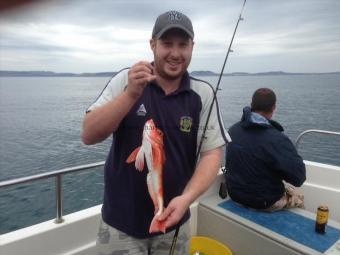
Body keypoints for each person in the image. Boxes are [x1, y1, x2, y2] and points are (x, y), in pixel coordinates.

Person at [81, 10, 228, 255]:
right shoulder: (125, 80)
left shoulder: (202, 94)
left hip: (174, 223)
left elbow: (212, 154)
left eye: (183, 44)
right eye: (167, 43)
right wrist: (130, 95)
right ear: (152, 44)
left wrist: (186, 199)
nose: (175, 53)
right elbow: (89, 135)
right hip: (120, 224)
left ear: (192, 46)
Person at [225, 88, 306, 211]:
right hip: (264, 201)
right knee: (299, 200)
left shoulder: (233, 130)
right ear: (273, 107)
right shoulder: (277, 139)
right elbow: (299, 178)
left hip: (235, 194)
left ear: (251, 105)